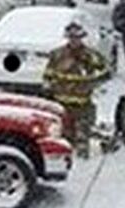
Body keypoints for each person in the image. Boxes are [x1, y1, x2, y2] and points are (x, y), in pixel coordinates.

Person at [43, 21, 110, 158]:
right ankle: (62, 158)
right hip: (61, 102)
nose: (75, 41)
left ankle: (82, 159)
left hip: (82, 102)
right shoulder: (57, 54)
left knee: (82, 134)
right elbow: (48, 75)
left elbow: (106, 71)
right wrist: (49, 88)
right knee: (62, 133)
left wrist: (93, 82)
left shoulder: (90, 56)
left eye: (77, 38)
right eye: (72, 38)